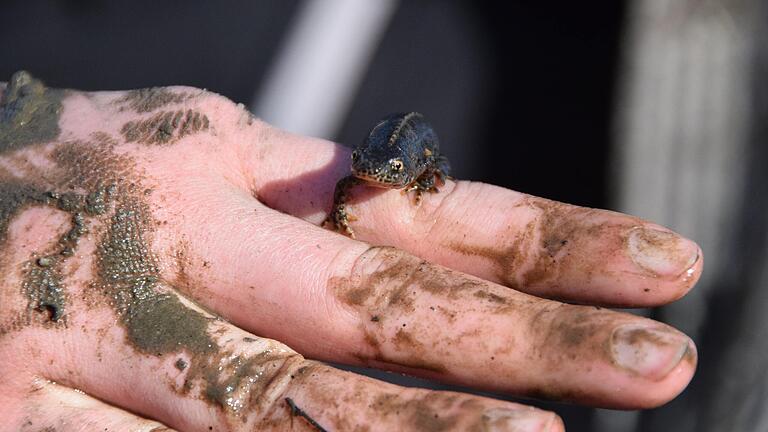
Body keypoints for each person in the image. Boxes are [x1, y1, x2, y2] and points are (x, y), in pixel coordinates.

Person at [0, 72, 701, 432]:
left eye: (383, 175)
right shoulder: (362, 170)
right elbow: (356, 175)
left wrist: (424, 182)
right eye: (370, 173)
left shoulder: (403, 163)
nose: (370, 181)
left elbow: (412, 154)